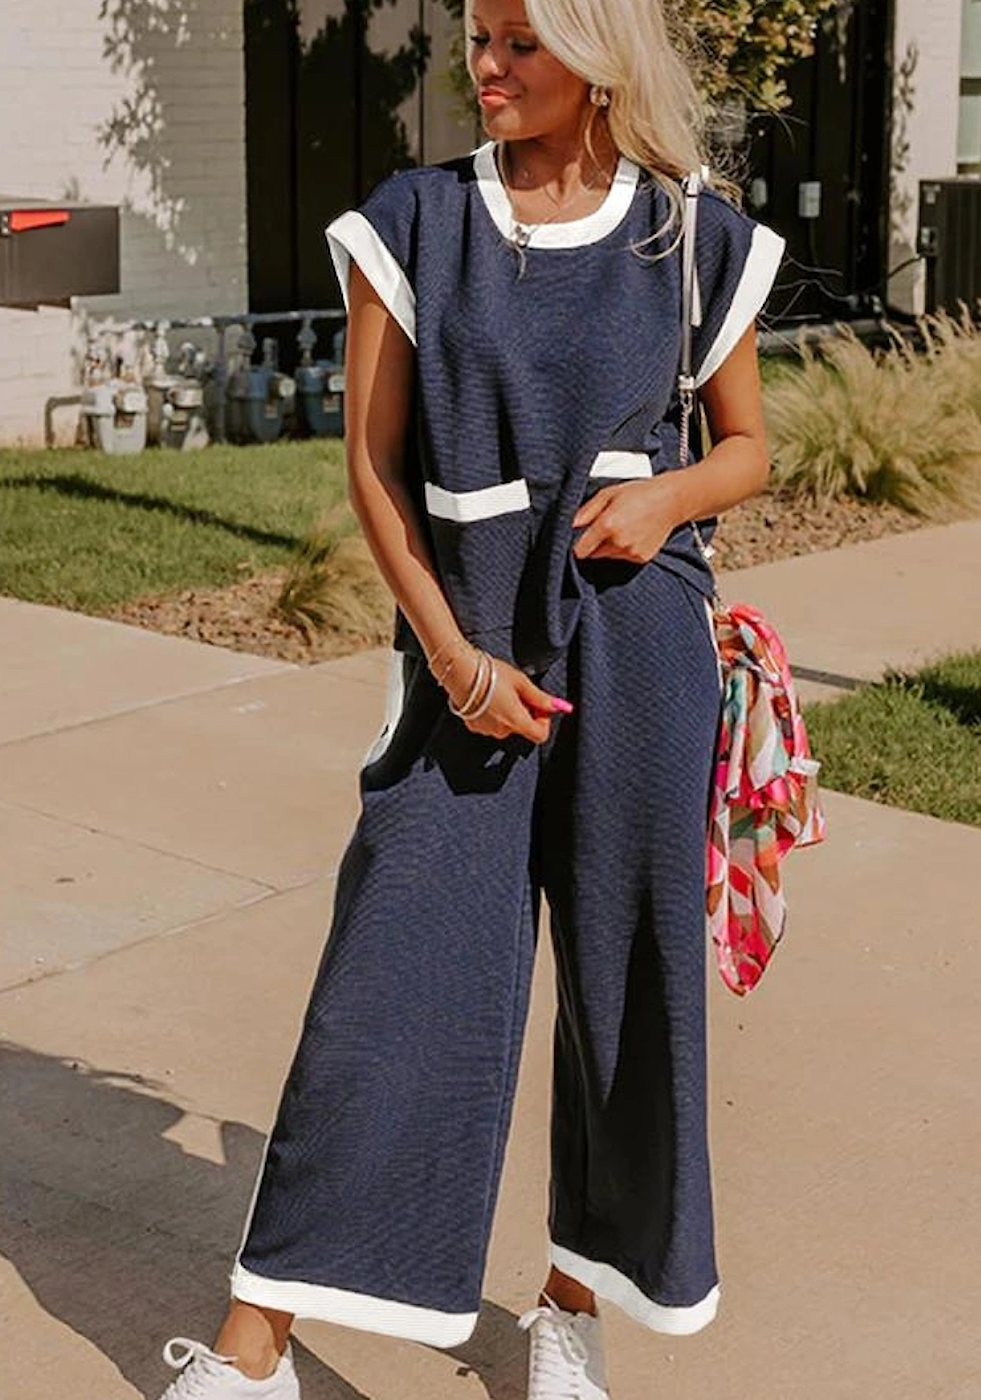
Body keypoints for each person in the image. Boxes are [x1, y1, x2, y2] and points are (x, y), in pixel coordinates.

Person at [156, 0, 785, 1393]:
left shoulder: (688, 233)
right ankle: (256, 1350)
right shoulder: (416, 223)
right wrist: (449, 656)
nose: (485, 67)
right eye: (478, 37)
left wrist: (665, 499)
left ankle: (569, 1306)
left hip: (641, 652)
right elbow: (373, 467)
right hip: (467, 654)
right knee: (386, 981)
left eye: (519, 41)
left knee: (628, 989)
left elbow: (746, 447)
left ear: (598, 53)